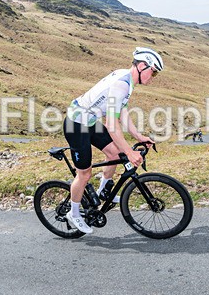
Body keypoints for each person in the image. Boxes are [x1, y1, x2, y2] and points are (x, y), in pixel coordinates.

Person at [62, 47, 162, 234]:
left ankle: (102, 191)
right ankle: (74, 213)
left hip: (89, 121)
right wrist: (130, 152)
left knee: (114, 153)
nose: (153, 77)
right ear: (141, 66)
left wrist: (139, 137)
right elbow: (111, 125)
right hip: (75, 124)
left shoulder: (127, 79)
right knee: (84, 174)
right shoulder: (121, 84)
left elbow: (122, 113)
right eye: (153, 72)